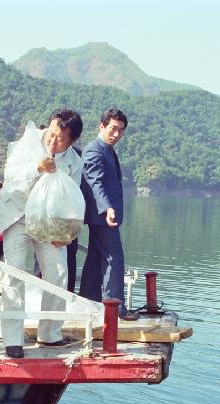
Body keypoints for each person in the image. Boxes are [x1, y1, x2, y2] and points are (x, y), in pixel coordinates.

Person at [0, 109, 84, 358]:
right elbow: (11, 177)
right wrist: (37, 168)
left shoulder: (75, 163)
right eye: (52, 134)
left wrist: (65, 233)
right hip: (17, 218)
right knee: (14, 274)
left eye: (61, 139)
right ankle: (12, 340)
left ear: (72, 141)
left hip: (49, 225)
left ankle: (50, 333)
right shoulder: (29, 141)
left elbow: (71, 201)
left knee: (58, 273)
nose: (53, 141)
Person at [78, 109, 137, 320]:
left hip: (103, 216)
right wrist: (107, 208)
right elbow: (95, 182)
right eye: (113, 128)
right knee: (114, 259)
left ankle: (87, 302)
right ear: (101, 126)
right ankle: (115, 311)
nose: (117, 134)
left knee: (95, 259)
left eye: (121, 130)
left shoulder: (108, 150)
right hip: (103, 217)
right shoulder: (94, 150)